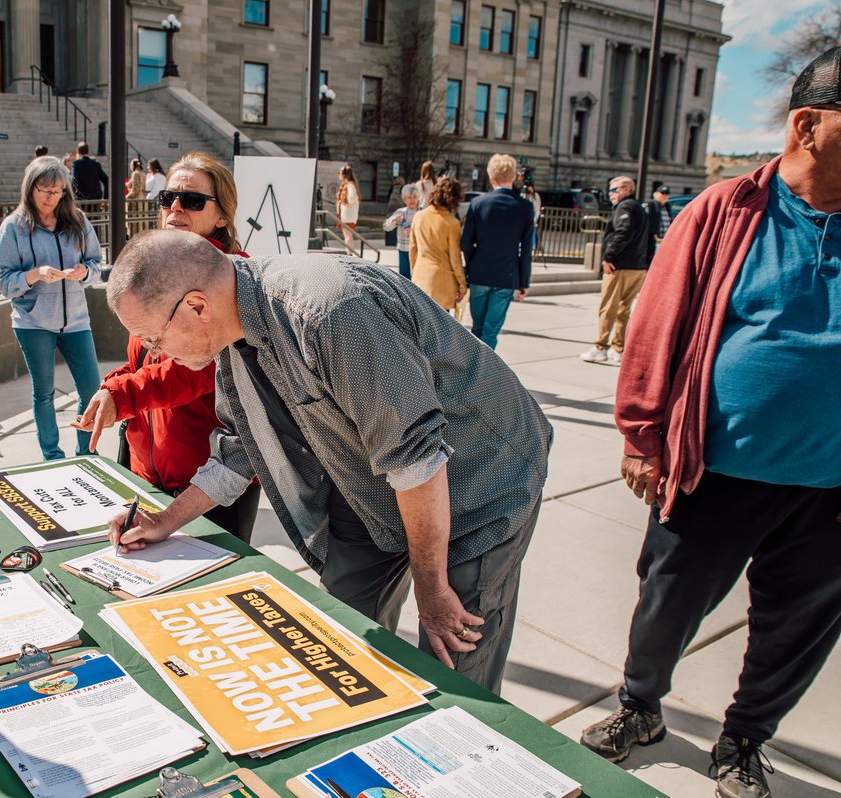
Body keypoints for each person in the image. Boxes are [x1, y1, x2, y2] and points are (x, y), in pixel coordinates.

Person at [104, 229, 553, 694]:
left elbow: (416, 462)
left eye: (151, 338)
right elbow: (241, 448)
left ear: (197, 306)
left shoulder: (329, 313)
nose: (155, 354)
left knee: (454, 664)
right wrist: (166, 520)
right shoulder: (231, 337)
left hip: (479, 481)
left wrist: (432, 589)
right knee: (337, 641)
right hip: (370, 483)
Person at [578, 47, 841, 798]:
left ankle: (744, 739)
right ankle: (640, 707)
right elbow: (657, 326)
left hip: (830, 491)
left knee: (796, 633)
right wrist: (641, 434)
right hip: (715, 471)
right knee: (665, 605)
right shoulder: (726, 212)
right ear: (808, 125)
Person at [72, 152, 261, 542]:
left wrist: (124, 394)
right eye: (167, 198)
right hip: (147, 464)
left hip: (209, 480)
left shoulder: (230, 278)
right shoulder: (155, 267)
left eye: (192, 200)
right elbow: (140, 358)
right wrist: (113, 388)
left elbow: (194, 370)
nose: (176, 206)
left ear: (222, 216)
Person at [0, 156, 103, 460]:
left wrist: (85, 272)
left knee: (92, 390)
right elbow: (3, 280)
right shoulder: (14, 227)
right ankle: (52, 456)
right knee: (44, 392)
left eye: (57, 192)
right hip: (33, 322)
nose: (51, 199)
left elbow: (97, 262)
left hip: (77, 320)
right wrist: (34, 275)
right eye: (45, 191)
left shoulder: (78, 221)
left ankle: (86, 454)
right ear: (30, 189)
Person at [460, 153, 534, 350]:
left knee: (477, 328)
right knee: (491, 331)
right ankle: (485, 375)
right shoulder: (525, 207)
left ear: (491, 178)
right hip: (506, 275)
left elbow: (466, 242)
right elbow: (526, 249)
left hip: (480, 272)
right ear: (513, 177)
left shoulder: (478, 204)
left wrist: (472, 264)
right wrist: (524, 281)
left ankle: (472, 372)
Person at [579, 175, 649, 365]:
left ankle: (601, 347)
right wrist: (646, 264)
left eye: (614, 190)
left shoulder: (625, 207)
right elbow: (649, 237)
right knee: (623, 309)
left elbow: (623, 232)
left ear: (626, 189)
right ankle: (618, 349)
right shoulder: (640, 208)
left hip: (619, 266)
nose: (610, 194)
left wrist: (609, 256)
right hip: (637, 266)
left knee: (608, 308)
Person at [409, 177, 466, 314]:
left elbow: (412, 250)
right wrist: (462, 285)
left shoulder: (419, 217)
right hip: (442, 283)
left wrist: (414, 273)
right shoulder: (452, 223)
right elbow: (455, 259)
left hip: (420, 278)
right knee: (440, 329)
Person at [383, 182, 421, 279]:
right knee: (404, 277)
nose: (412, 200)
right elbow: (386, 227)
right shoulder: (400, 212)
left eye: (414, 197)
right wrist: (394, 220)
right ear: (404, 199)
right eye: (409, 197)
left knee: (416, 276)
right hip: (403, 249)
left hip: (418, 250)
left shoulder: (422, 213)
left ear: (418, 198)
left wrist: (412, 231)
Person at [643, 184, 672, 263]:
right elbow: (645, 222)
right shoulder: (650, 205)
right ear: (655, 194)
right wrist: (653, 233)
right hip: (653, 241)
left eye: (666, 194)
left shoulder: (666, 207)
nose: (664, 196)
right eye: (662, 193)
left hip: (663, 240)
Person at [336, 164, 360, 256]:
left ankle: (349, 253)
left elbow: (352, 198)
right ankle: (349, 252)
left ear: (344, 174)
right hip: (346, 215)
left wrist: (344, 201)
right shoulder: (347, 185)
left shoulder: (350, 185)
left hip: (348, 215)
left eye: (340, 173)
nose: (339, 175)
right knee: (347, 235)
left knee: (348, 235)